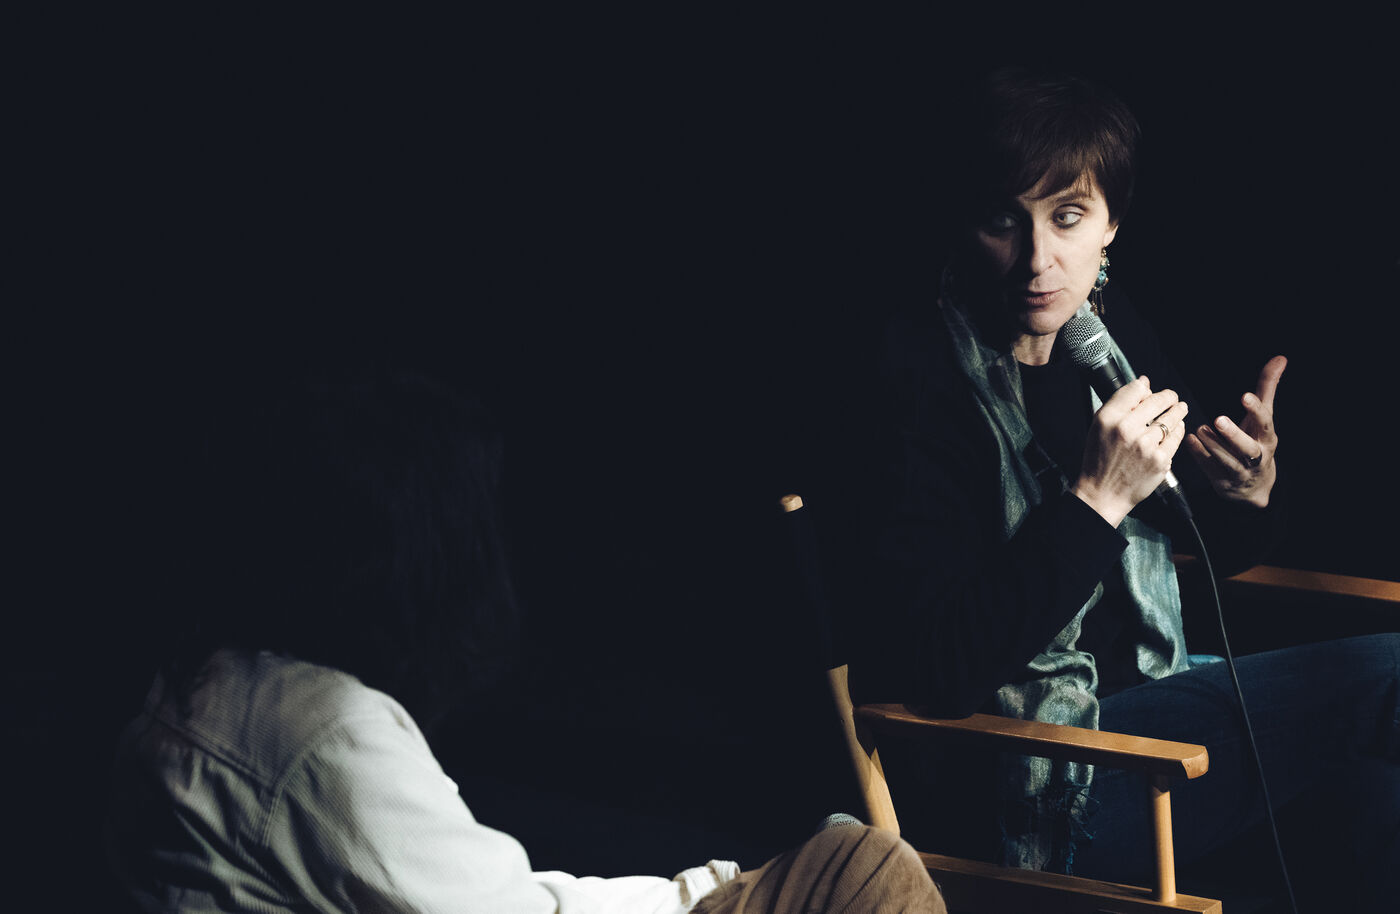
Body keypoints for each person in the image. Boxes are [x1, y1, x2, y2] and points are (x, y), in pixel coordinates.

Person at [851, 67, 1399, 908]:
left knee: (1377, 799)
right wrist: (1095, 501)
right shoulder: (917, 381)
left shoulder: (1103, 339)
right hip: (1039, 773)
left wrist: (1247, 492)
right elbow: (936, 669)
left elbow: (1209, 545)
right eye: (1004, 220)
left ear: (1111, 226)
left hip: (1152, 707)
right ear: (967, 226)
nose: (1039, 260)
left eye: (1068, 217)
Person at [105, 372, 946, 913]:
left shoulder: (215, 682)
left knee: (856, 862)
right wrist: (723, 891)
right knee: (871, 875)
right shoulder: (318, 729)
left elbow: (482, 892)